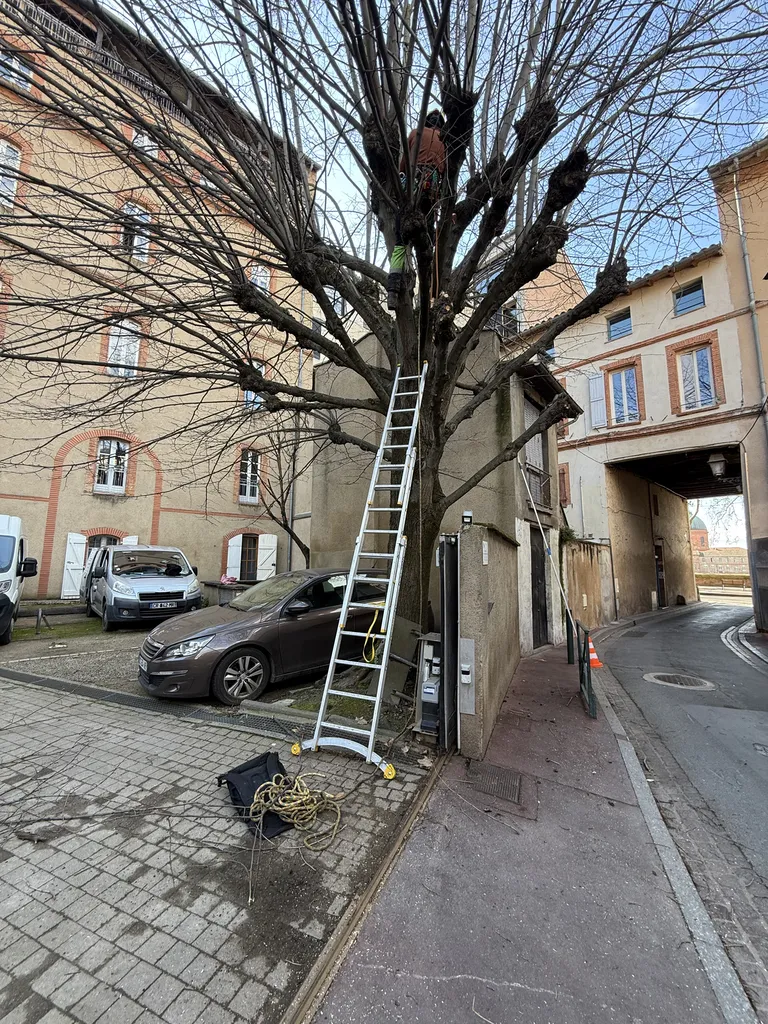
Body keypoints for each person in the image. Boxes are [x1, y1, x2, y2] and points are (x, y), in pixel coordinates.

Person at [387, 110, 446, 310]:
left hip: (411, 193)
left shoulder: (415, 133)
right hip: (431, 195)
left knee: (400, 243)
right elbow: (446, 176)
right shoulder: (445, 142)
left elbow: (403, 167)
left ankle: (392, 291)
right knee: (427, 243)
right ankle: (428, 293)